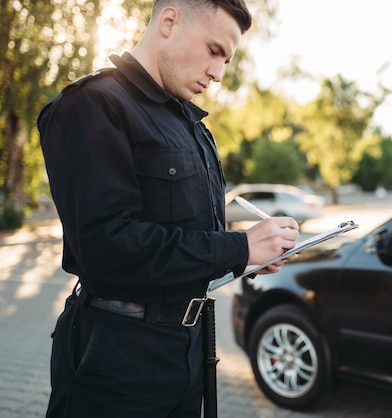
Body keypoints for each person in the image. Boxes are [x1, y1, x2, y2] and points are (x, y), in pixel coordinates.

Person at [37, 1, 299, 417]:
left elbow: (191, 236)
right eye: (214, 50)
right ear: (170, 20)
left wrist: (252, 254)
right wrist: (237, 248)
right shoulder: (92, 105)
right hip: (117, 359)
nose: (218, 72)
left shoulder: (193, 126)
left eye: (227, 60)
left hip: (189, 351)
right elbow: (107, 247)